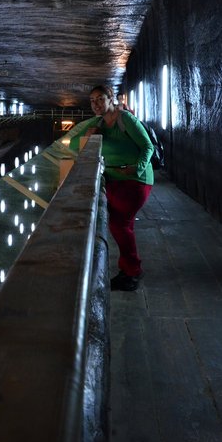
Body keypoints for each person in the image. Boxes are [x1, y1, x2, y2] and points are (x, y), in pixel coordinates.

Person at [64, 85, 154, 291]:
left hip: (136, 181)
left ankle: (132, 271)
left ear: (111, 98)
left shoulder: (125, 120)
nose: (95, 104)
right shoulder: (97, 123)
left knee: (119, 224)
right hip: (114, 179)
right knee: (121, 224)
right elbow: (73, 144)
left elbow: (148, 146)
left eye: (100, 99)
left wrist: (137, 169)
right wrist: (89, 134)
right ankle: (128, 270)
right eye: (92, 101)